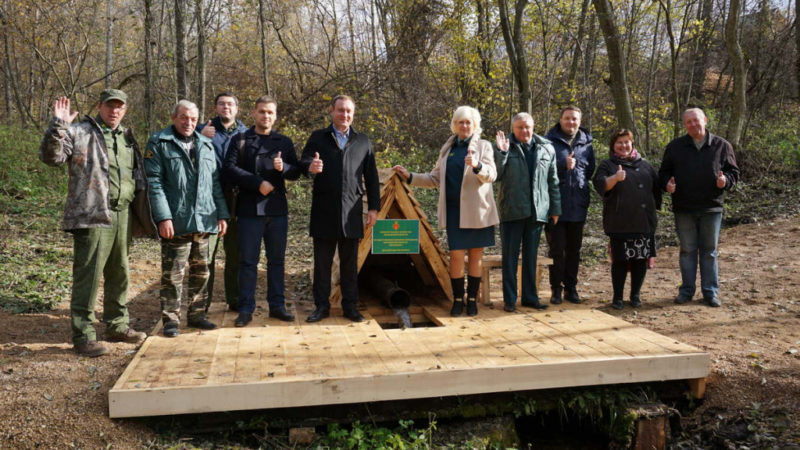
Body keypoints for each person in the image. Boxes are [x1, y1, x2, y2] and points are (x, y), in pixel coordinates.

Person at [39, 89, 153, 357]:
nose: (115, 111)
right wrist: (58, 126)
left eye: (120, 107)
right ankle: (84, 336)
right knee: (88, 277)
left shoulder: (126, 136)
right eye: (110, 106)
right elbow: (51, 157)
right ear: (99, 106)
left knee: (120, 273)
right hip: (91, 215)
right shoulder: (79, 132)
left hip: (122, 214)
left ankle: (116, 325)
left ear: (125, 110)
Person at [393, 106, 499, 317]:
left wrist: (477, 166)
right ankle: (458, 300)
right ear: (455, 125)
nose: (464, 125)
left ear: (474, 125)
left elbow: (492, 175)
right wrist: (410, 176)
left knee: (476, 256)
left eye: (468, 122)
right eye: (461, 122)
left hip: (478, 211)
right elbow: (434, 178)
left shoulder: (484, 146)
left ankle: (472, 301)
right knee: (457, 256)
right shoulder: (448, 148)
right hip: (454, 211)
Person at [144, 100, 230, 337]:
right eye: (184, 117)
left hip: (205, 218)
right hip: (177, 220)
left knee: (201, 271)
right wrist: (163, 217)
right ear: (174, 117)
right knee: (173, 274)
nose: (188, 123)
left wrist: (222, 214)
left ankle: (197, 315)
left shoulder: (206, 144)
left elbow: (214, 184)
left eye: (193, 119)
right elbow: (154, 182)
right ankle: (171, 320)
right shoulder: (159, 142)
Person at [299, 95, 380, 323]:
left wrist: (373, 207)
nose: (345, 115)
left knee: (349, 264)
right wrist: (310, 166)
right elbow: (302, 162)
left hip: (351, 211)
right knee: (322, 263)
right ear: (331, 111)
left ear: (353, 114)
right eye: (341, 110)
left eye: (349, 111)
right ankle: (321, 307)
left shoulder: (362, 141)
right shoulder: (318, 137)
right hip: (324, 209)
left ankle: (350, 307)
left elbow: (371, 177)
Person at [224, 96, 300, 326]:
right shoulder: (241, 140)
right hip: (249, 210)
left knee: (276, 261)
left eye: (270, 113)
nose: (266, 116)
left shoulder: (284, 142)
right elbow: (228, 169)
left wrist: (283, 167)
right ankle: (246, 308)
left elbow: (297, 171)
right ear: (254, 114)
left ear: (275, 116)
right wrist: (257, 183)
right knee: (247, 262)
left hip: (277, 211)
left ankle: (277, 306)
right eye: (262, 112)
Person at [658, 108, 739, 307]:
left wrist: (725, 181)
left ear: (705, 120)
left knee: (709, 251)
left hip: (712, 208)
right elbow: (663, 173)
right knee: (687, 250)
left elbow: (734, 173)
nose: (693, 125)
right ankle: (686, 291)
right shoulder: (675, 147)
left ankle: (710, 292)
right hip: (683, 207)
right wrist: (667, 184)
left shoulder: (722, 145)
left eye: (696, 120)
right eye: (688, 122)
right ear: (685, 125)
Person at [494, 112, 561, 312]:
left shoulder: (546, 147)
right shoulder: (503, 145)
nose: (524, 131)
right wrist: (502, 153)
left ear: (533, 127)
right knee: (510, 258)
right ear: (513, 129)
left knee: (531, 257)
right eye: (519, 127)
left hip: (537, 211)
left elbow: (553, 180)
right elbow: (495, 175)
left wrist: (555, 208)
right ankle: (509, 299)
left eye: (527, 127)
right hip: (512, 210)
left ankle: (530, 298)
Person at [593, 130, 661, 309]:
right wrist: (615, 178)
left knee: (640, 261)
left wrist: (668, 186)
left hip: (644, 222)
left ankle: (635, 296)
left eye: (626, 142)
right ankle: (617, 298)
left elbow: (657, 187)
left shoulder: (645, 164)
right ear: (613, 146)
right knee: (620, 261)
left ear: (632, 144)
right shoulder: (608, 164)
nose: (623, 146)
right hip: (619, 222)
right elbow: (600, 185)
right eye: (619, 143)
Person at [197, 92, 248, 312]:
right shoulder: (203, 129)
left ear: (237, 108)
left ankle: (234, 299)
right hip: (209, 199)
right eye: (221, 104)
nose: (226, 107)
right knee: (206, 255)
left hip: (238, 199)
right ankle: (202, 304)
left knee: (235, 253)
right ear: (216, 107)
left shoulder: (246, 132)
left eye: (230, 104)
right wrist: (200, 135)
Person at [544, 105, 595, 304]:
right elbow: (543, 172)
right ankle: (556, 288)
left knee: (574, 249)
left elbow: (589, 171)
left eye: (574, 119)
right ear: (561, 119)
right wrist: (562, 166)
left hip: (578, 205)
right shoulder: (548, 142)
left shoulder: (587, 144)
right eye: (567, 118)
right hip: (555, 205)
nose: (570, 122)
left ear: (579, 122)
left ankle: (571, 288)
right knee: (556, 249)